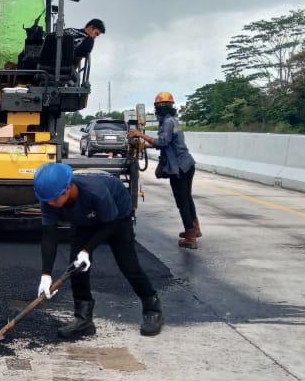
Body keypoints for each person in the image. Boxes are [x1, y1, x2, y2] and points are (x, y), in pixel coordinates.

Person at [33, 162, 163, 339]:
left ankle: (152, 307)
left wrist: (87, 250)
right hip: (85, 220)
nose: (52, 204)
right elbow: (49, 234)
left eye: (55, 200)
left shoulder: (96, 192)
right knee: (76, 267)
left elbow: (110, 224)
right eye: (48, 201)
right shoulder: (49, 198)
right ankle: (83, 320)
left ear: (68, 188)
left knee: (128, 265)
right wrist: (45, 275)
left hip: (117, 217)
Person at [128, 92, 199, 249]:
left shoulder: (167, 122)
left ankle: (190, 237)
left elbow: (163, 142)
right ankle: (194, 228)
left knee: (182, 202)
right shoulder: (173, 120)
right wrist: (146, 145)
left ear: (159, 109)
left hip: (178, 168)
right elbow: (168, 143)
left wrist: (140, 134)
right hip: (187, 164)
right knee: (187, 198)